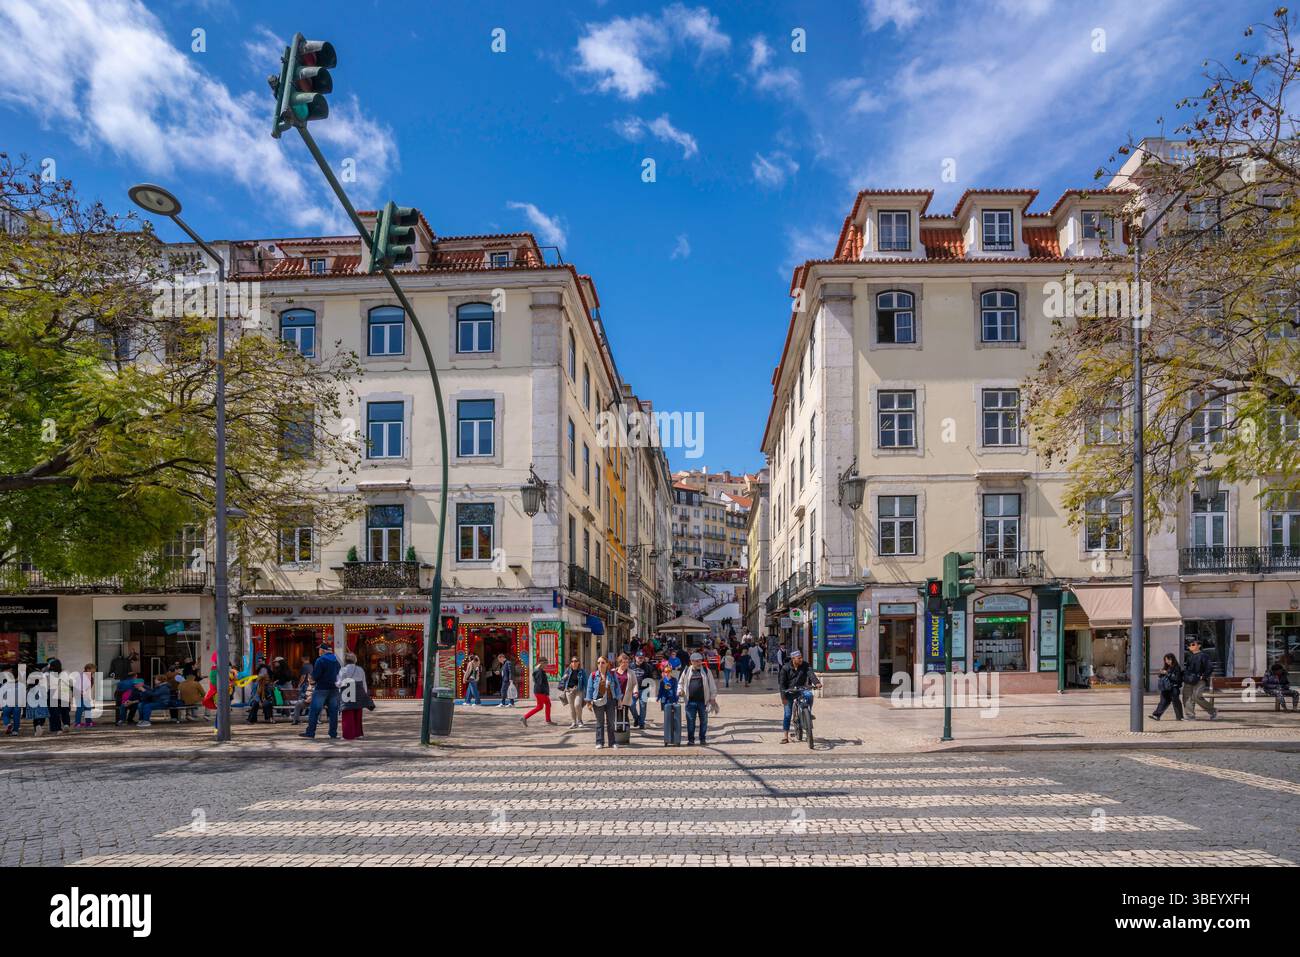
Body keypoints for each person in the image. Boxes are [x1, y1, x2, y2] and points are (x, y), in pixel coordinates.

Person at [779, 648, 821, 744]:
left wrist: (817, 682)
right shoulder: (785, 668)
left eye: (801, 657)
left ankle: (808, 713)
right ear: (793, 659)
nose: (801, 659)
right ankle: (785, 736)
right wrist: (783, 697)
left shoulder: (805, 665)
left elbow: (811, 674)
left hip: (801, 689)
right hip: (789, 692)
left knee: (809, 695)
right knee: (788, 714)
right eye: (799, 658)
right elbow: (781, 684)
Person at [300, 642, 341, 740]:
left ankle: (310, 732)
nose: (318, 651)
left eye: (319, 649)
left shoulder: (320, 660)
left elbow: (315, 675)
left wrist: (312, 678)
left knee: (314, 711)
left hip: (321, 688)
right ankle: (333, 733)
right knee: (333, 712)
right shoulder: (336, 660)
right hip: (334, 689)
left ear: (323, 650)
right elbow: (340, 673)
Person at [680, 652, 718, 746]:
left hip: (703, 701)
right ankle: (691, 740)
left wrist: (712, 698)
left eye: (700, 661)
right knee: (690, 721)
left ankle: (702, 739)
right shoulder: (686, 671)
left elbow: (712, 685)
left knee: (704, 721)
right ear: (691, 662)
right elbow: (680, 683)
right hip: (690, 702)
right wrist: (680, 690)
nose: (699, 663)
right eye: (696, 661)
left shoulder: (706, 670)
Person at [585, 657, 619, 749]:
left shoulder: (612, 674)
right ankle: (599, 742)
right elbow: (589, 689)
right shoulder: (593, 675)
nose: (600, 664)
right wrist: (588, 701)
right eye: (598, 662)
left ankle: (612, 742)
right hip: (598, 701)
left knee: (611, 722)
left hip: (610, 700)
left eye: (603, 662)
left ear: (607, 664)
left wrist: (619, 699)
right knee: (600, 722)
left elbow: (617, 687)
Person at [1182, 638, 1218, 720]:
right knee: (1187, 696)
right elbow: (1187, 668)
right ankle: (1190, 715)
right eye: (1190, 645)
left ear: (1199, 646)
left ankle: (1213, 711)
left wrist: (1203, 676)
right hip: (1189, 680)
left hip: (1199, 680)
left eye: (1193, 644)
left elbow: (1209, 667)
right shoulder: (1189, 657)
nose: (1190, 646)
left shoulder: (1204, 656)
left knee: (1197, 696)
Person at [339, 651, 371, 740]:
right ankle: (358, 733)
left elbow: (340, 683)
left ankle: (348, 735)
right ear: (355, 660)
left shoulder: (343, 670)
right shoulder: (360, 669)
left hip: (347, 691)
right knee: (358, 712)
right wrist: (364, 693)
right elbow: (364, 682)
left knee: (347, 712)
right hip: (359, 691)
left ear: (345, 660)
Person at [1150, 653, 1184, 721]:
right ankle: (1156, 715)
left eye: (1169, 659)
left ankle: (1179, 717)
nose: (1167, 661)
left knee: (1176, 702)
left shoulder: (1177, 667)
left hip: (1173, 688)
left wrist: (1167, 673)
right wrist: (1161, 673)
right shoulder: (1166, 667)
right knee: (1163, 702)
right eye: (1166, 660)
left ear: (1172, 659)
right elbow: (1162, 677)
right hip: (1165, 688)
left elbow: (1177, 678)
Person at [522, 657, 554, 726]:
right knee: (540, 707)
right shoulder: (539, 671)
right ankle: (525, 717)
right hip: (540, 692)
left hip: (540, 691)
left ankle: (548, 720)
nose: (546, 665)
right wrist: (545, 692)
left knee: (548, 704)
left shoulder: (538, 670)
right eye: (546, 663)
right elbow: (540, 683)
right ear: (541, 663)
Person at [657, 662, 681, 746]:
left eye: (669, 671)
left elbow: (675, 690)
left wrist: (677, 698)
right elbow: (661, 690)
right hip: (665, 701)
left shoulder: (674, 680)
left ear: (671, 672)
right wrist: (658, 697)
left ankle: (674, 736)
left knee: (675, 717)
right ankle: (667, 737)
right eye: (666, 672)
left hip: (673, 699)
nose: (667, 673)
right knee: (667, 718)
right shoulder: (662, 681)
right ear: (664, 672)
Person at [558, 656, 586, 729]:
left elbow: (585, 682)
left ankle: (580, 721)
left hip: (578, 690)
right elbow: (562, 680)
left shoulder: (582, 671)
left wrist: (587, 693)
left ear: (578, 662)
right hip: (569, 691)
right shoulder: (567, 670)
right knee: (572, 708)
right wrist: (564, 677)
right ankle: (574, 722)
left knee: (577, 705)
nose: (574, 663)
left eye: (576, 661)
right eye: (572, 661)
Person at [631, 653, 653, 729]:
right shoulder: (631, 666)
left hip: (644, 689)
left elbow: (650, 678)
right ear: (635, 657)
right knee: (631, 704)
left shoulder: (647, 666)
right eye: (639, 657)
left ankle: (641, 723)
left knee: (643, 706)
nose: (640, 659)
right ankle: (636, 718)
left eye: (642, 658)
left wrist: (648, 688)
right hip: (633, 689)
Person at [291, 656, 313, 725]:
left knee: (301, 698)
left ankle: (297, 717)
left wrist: (299, 685)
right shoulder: (311, 666)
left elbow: (303, 677)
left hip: (305, 685)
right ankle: (306, 713)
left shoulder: (304, 666)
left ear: (303, 659)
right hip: (310, 686)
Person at [73, 663, 96, 728]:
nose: (94, 671)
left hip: (85, 695)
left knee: (88, 708)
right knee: (80, 709)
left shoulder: (90, 677)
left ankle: (88, 722)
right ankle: (77, 723)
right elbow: (78, 686)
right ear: (88, 669)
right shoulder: (82, 676)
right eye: (93, 669)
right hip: (79, 694)